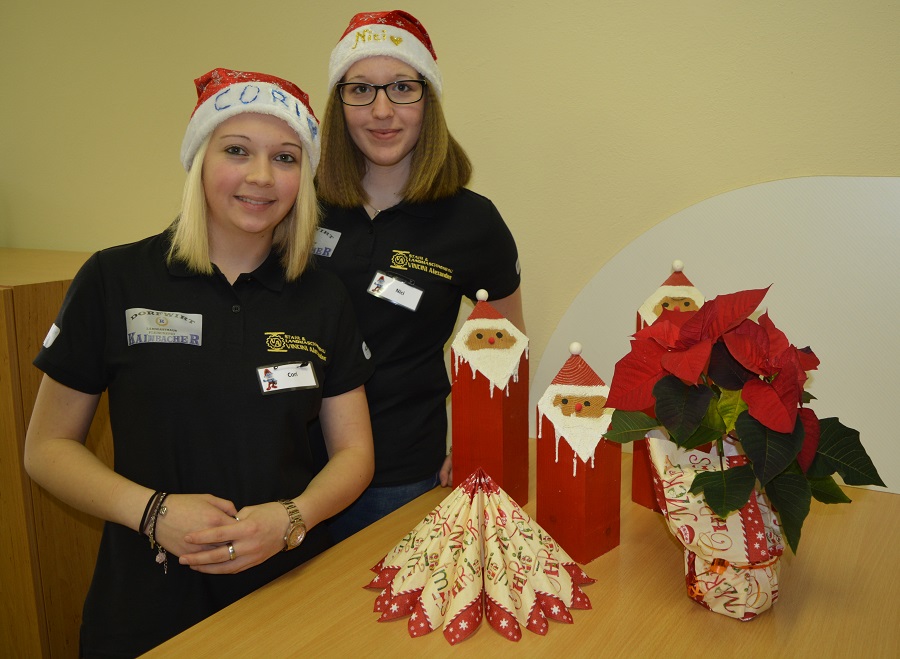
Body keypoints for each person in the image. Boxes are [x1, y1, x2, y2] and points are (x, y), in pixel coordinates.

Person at [24, 68, 375, 658]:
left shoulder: (322, 297)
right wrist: (153, 512)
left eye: (285, 158)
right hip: (147, 604)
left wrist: (292, 517)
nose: (261, 176)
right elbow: (46, 448)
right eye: (237, 150)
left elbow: (355, 452)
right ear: (199, 161)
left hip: (287, 597)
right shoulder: (114, 279)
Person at [314, 10, 525, 541]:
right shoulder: (299, 204)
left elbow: (506, 348)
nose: (382, 110)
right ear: (339, 103)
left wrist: (477, 445)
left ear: (428, 100)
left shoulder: (472, 222)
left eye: (402, 88)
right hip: (290, 470)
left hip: (400, 475)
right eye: (360, 89)